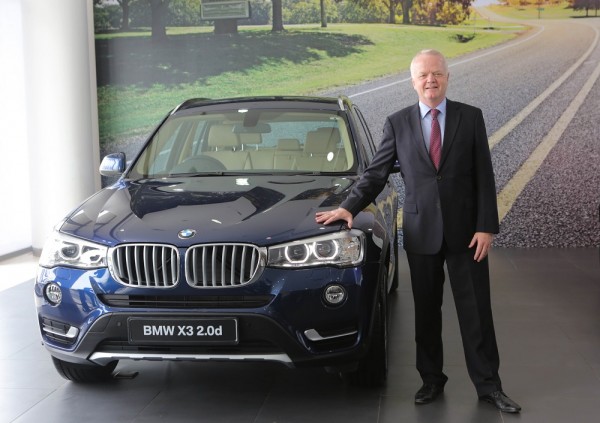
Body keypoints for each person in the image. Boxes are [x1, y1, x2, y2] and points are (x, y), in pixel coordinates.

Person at [315, 49, 521, 413]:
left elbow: (484, 177)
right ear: (413, 81)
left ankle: (489, 386)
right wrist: (348, 207)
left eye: (437, 73)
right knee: (426, 313)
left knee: (476, 314)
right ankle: (431, 380)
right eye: (424, 75)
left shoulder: (470, 118)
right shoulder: (398, 123)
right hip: (422, 231)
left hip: (467, 236)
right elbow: (376, 174)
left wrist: (487, 226)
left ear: (447, 77)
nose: (431, 80)